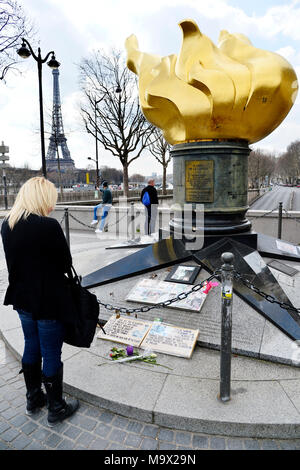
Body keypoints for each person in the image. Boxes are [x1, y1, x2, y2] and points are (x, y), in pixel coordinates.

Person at [0, 177, 79, 427]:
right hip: (48, 300)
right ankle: (56, 407)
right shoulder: (48, 226)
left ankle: (33, 397)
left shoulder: (7, 225)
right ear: (42, 198)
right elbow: (65, 264)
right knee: (51, 351)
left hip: (22, 299)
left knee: (31, 345)